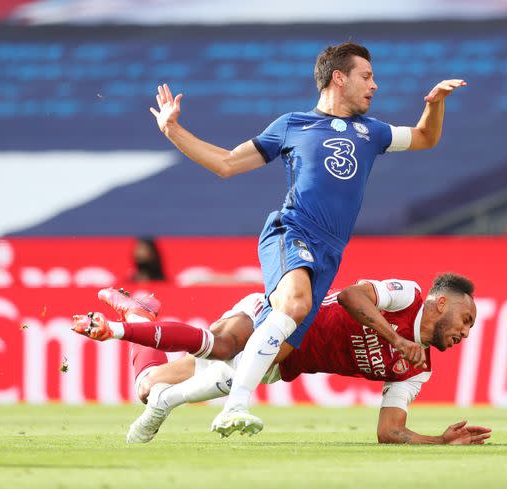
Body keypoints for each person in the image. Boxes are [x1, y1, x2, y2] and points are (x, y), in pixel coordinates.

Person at [149, 42, 466, 435]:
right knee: (295, 303)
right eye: (366, 76)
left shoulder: (373, 132)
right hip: (291, 230)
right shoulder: (292, 125)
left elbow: (424, 137)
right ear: (339, 77)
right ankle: (233, 408)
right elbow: (227, 164)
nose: (375, 86)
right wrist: (173, 130)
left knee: (270, 358)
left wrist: (435, 103)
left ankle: (164, 401)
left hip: (328, 256)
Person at [73, 273, 487, 444]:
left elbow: (389, 430)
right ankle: (133, 327)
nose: (466, 333)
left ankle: (138, 314)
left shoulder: (417, 371)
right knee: (224, 351)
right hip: (274, 318)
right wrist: (394, 337)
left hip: (278, 365)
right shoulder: (409, 296)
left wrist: (438, 440)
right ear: (438, 303)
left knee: (149, 388)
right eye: (465, 319)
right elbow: (351, 295)